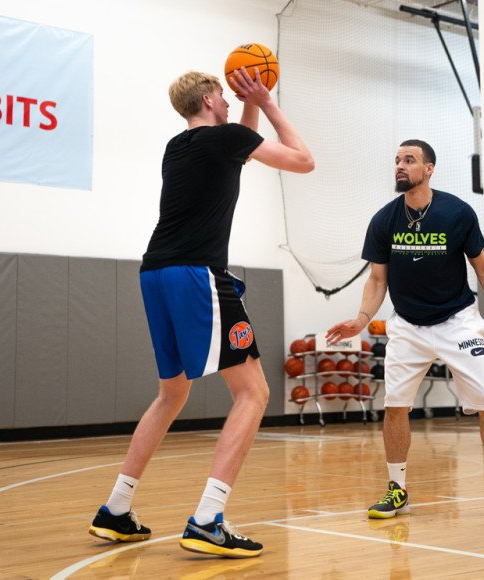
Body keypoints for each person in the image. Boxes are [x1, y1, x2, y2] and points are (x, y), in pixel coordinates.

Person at [88, 67, 314, 558]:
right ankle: (209, 518)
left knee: (172, 392)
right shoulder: (226, 138)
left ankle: (116, 509)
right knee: (254, 393)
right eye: (226, 98)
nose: (232, 104)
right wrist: (268, 101)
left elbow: (240, 141)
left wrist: (248, 107)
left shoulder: (179, 146)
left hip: (155, 273)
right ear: (212, 98)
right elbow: (303, 160)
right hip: (197, 274)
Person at [326, 139, 484, 523]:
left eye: (409, 160)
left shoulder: (457, 212)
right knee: (395, 406)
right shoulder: (383, 220)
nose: (400, 166)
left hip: (457, 320)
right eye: (396, 160)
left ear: (429, 168)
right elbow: (377, 280)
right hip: (407, 325)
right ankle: (397, 490)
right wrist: (360, 318)